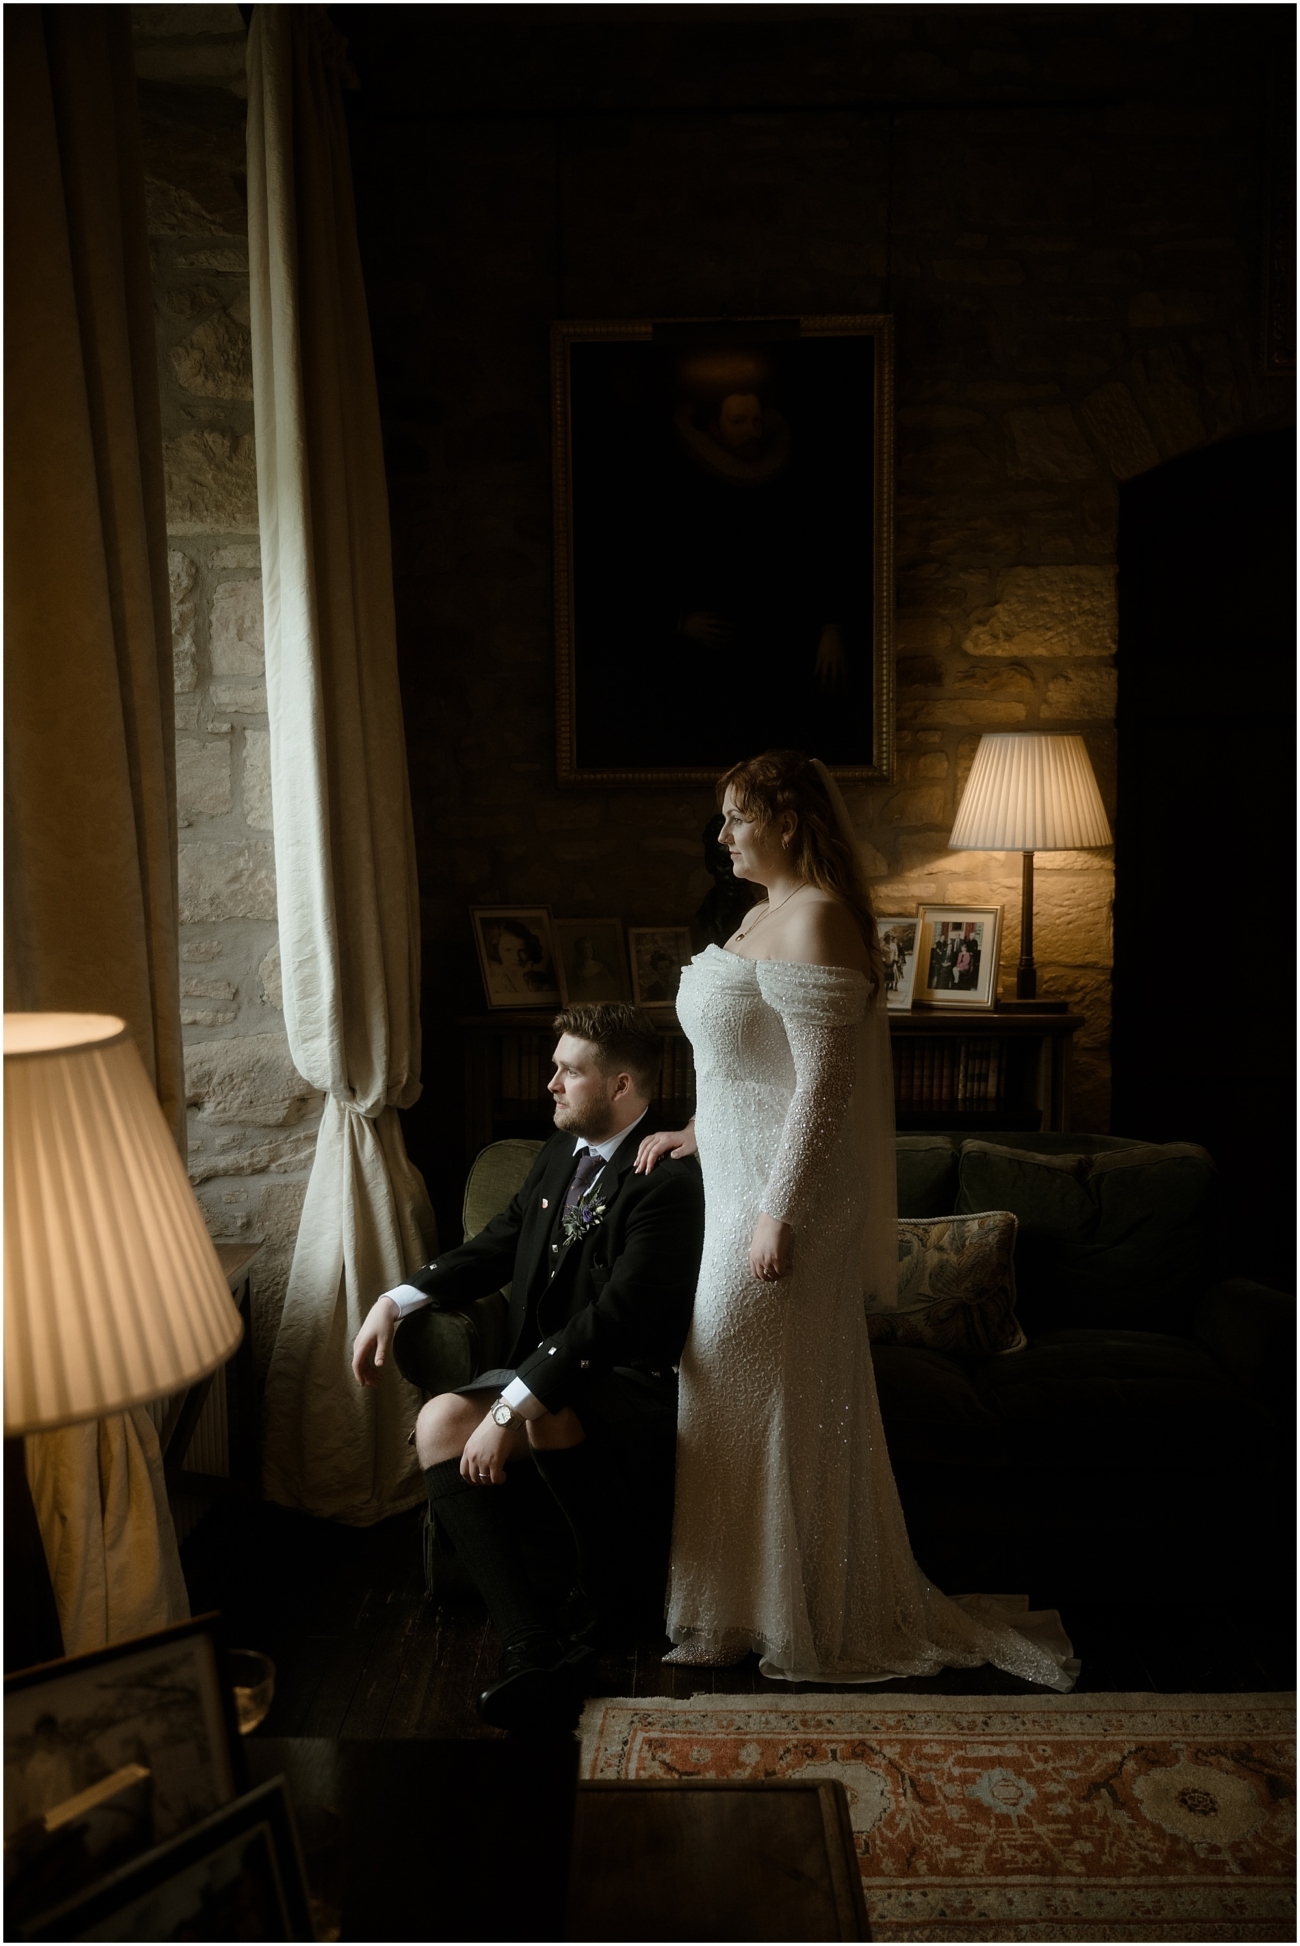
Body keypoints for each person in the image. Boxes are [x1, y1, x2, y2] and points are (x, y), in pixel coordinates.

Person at [636, 749, 1077, 1689]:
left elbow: (823, 1094)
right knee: (719, 1389)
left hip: (788, 1200)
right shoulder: (758, 916)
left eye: (735, 817)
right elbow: (750, 1071)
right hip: (736, 1183)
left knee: (762, 1389)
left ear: (788, 820)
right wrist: (695, 1131)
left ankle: (803, 1613)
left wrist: (779, 1213)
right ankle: (737, 1611)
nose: (721, 836)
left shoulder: (819, 920)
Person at [351, 1003, 704, 1732]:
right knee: (440, 1418)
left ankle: (605, 1599)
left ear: (623, 1085)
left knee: (553, 1415)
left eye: (569, 1071)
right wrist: (399, 1297)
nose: (550, 1085)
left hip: (626, 1381)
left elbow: (615, 1319)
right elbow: (499, 1240)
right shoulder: (559, 1152)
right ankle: (528, 1644)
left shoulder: (667, 1180)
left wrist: (514, 1404)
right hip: (550, 1372)